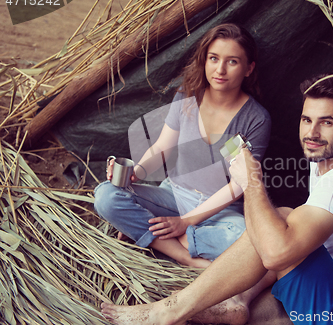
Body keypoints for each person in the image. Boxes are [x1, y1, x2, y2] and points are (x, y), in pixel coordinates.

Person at [101, 74, 333, 325]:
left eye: (327, 122)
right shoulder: (323, 162)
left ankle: (169, 311)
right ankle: (235, 302)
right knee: (282, 224)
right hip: (329, 288)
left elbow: (276, 252)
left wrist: (251, 181)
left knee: (280, 222)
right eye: (307, 120)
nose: (312, 133)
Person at [94, 23, 271, 268]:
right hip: (173, 196)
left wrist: (186, 222)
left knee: (244, 237)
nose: (220, 69)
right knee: (106, 195)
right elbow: (162, 147)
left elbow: (238, 184)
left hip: (220, 211)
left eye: (232, 62)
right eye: (213, 58)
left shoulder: (255, 118)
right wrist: (136, 172)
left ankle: (150, 236)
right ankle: (185, 256)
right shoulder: (187, 96)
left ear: (248, 68)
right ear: (204, 60)